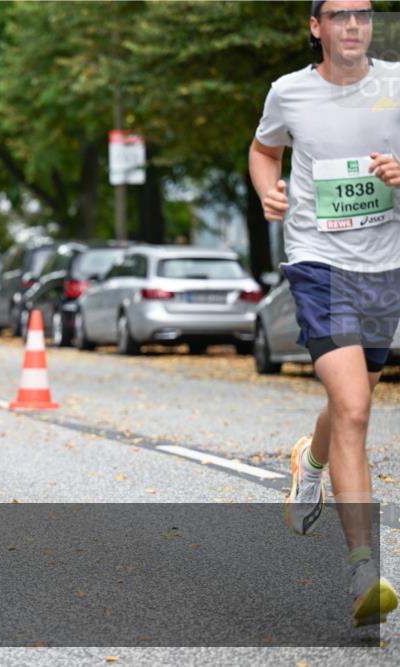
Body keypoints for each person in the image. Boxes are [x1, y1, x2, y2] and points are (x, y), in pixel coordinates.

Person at [249, 0, 399, 627]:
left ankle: (309, 461)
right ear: (317, 27)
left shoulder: (396, 85)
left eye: (363, 14)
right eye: (339, 15)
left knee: (350, 398)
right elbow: (263, 150)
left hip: (384, 268)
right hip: (318, 264)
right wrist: (268, 190)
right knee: (356, 407)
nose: (353, 25)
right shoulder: (289, 92)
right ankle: (364, 570)